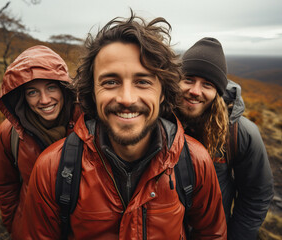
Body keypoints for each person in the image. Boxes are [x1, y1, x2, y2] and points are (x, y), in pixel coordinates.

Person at [18, 13, 227, 239]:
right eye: (111, 82)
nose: (127, 98)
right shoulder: (51, 168)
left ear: (163, 93)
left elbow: (211, 234)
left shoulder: (195, 160)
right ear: (91, 93)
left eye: (142, 82)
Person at [177, 37, 274, 239]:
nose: (195, 91)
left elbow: (256, 195)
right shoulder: (156, 118)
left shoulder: (240, 133)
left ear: (218, 92)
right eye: (188, 79)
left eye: (207, 84)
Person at [0, 45, 79, 237]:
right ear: (22, 97)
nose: (45, 100)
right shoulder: (9, 134)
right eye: (33, 92)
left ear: (64, 89)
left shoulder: (87, 123)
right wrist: (16, 226)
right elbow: (5, 186)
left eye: (51, 87)